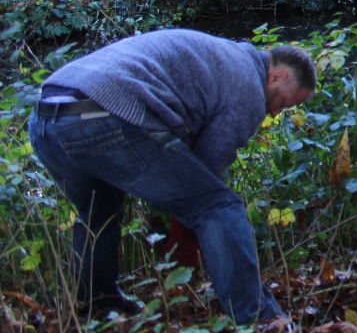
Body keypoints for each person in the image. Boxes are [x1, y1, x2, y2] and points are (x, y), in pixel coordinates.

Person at [28, 29, 317, 324]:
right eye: (283, 103)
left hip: (45, 121)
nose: (275, 113)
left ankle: (97, 308)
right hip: (103, 118)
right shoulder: (249, 87)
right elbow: (209, 165)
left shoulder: (225, 55)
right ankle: (260, 320)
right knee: (219, 205)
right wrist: (185, 234)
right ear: (276, 77)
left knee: (98, 212)